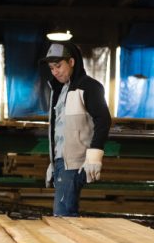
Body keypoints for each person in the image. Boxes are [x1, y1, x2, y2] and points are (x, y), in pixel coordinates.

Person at [43, 41, 111, 217]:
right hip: (61, 162)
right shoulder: (59, 91)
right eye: (51, 68)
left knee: (63, 217)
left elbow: (103, 120)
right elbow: (58, 130)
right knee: (63, 216)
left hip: (75, 163)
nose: (55, 72)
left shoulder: (89, 87)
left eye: (58, 66)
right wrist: (54, 161)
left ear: (72, 62)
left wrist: (94, 156)